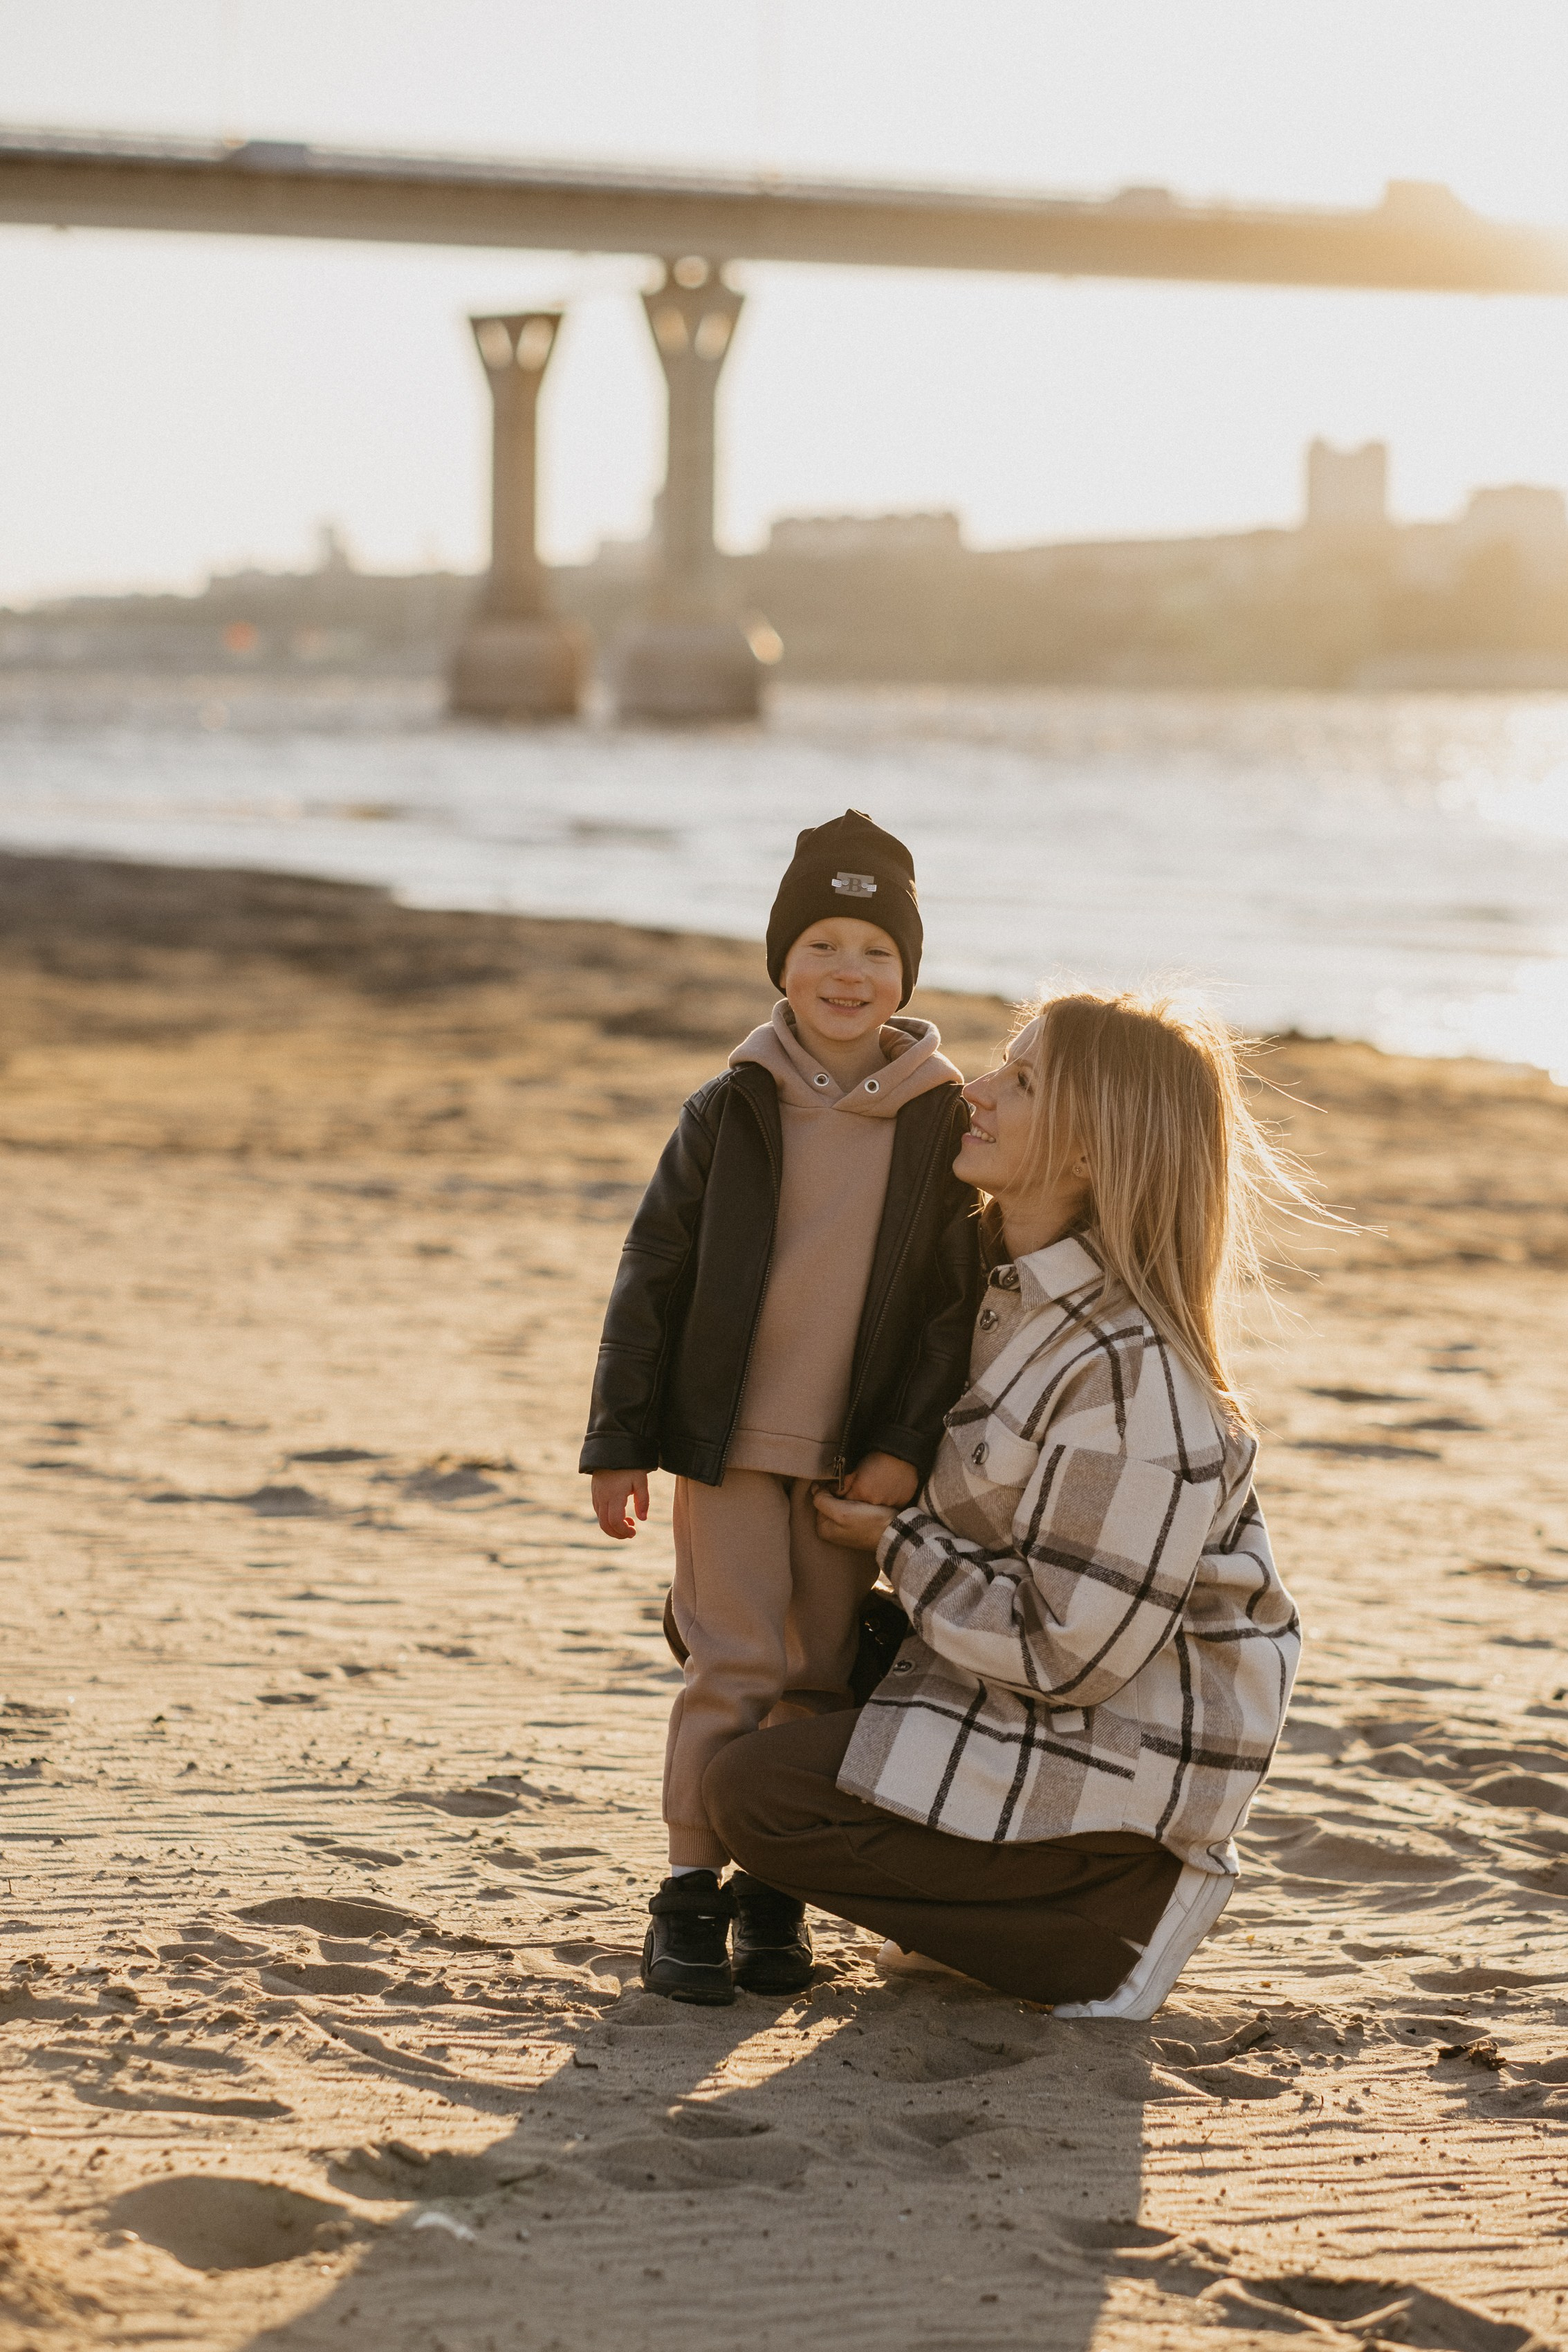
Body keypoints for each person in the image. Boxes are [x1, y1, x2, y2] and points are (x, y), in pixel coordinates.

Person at [704, 988, 1305, 2019]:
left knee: (758, 1797)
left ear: (1087, 1154)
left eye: (1020, 1081)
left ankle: (1104, 1927)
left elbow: (1068, 1653)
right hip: (1022, 1684)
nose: (975, 1090)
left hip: (1110, 1752)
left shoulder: (1129, 1375)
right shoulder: (998, 1294)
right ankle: (991, 1912)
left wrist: (895, 1542)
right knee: (737, 1615)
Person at [580, 811, 979, 2005]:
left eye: (874, 949)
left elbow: (950, 1313)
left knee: (816, 1674)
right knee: (732, 1662)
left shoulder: (943, 1119)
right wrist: (620, 1443)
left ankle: (775, 1893)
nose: (847, 972)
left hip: (850, 1465)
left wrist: (904, 1454)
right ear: (780, 963)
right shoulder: (730, 1107)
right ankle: (689, 1893)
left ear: (906, 972)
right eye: (820, 945)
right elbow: (650, 1274)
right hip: (726, 1446)